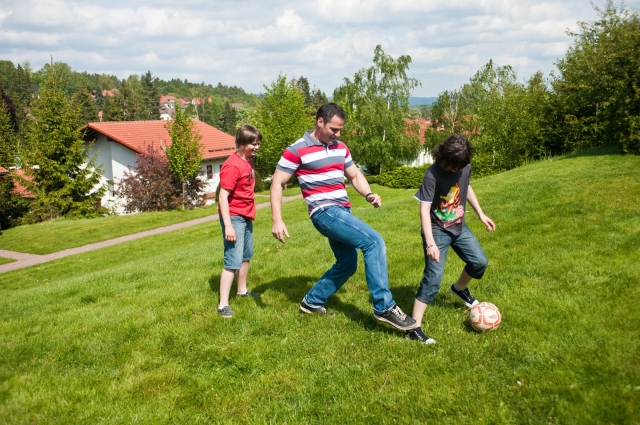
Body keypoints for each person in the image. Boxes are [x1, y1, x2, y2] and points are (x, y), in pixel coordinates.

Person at [270, 103, 417, 331]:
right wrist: (277, 219)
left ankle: (312, 301)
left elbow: (355, 174)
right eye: (333, 129)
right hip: (324, 212)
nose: (337, 134)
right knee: (373, 241)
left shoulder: (340, 147)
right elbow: (277, 183)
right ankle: (384, 307)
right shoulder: (297, 149)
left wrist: (368, 194)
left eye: (340, 130)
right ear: (320, 122)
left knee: (347, 263)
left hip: (341, 211)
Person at [407, 134, 496, 344]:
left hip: (459, 226)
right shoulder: (432, 175)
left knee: (479, 262)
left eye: (459, 167)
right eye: (452, 167)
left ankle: (459, 289)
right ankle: (413, 327)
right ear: (443, 157)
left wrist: (481, 214)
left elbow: (467, 188)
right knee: (433, 279)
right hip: (437, 230)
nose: (456, 171)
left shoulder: (464, 166)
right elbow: (424, 208)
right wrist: (430, 242)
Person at [216, 124, 263, 318]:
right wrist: (228, 225)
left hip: (246, 215)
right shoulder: (232, 166)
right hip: (233, 217)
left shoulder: (248, 160)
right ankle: (223, 305)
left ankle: (242, 291)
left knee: (245, 255)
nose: (257, 147)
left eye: (258, 143)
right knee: (232, 261)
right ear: (243, 143)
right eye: (253, 144)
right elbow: (222, 197)